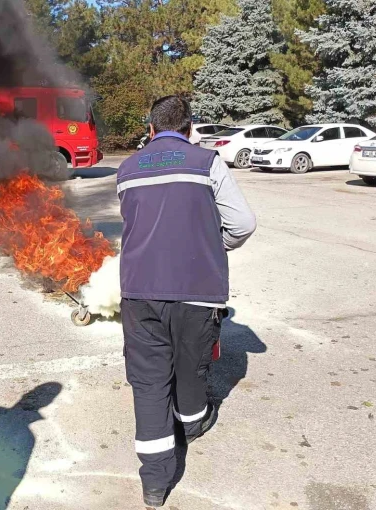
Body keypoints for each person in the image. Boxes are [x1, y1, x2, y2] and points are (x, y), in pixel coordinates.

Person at [117, 95, 257, 507]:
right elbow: (243, 223)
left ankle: (155, 484)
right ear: (190, 128)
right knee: (191, 366)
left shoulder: (126, 169)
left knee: (147, 380)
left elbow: (139, 223)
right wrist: (215, 245)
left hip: (140, 292)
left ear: (150, 129)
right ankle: (192, 424)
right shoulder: (207, 162)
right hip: (197, 288)